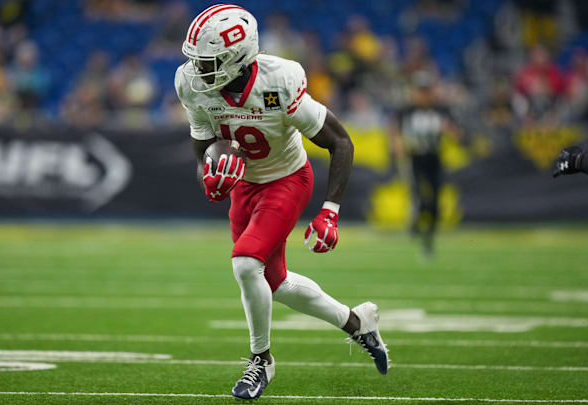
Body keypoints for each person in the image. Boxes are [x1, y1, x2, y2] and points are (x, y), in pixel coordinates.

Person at [174, 5, 389, 400]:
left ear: (236, 58)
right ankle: (358, 322)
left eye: (209, 63)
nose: (198, 71)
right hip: (246, 185)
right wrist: (210, 167)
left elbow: (340, 141)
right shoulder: (191, 84)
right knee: (274, 283)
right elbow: (203, 139)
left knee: (244, 262)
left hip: (287, 178)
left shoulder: (279, 80)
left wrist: (330, 211)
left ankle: (262, 361)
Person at [390, 71, 459, 257]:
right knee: (420, 196)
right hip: (415, 159)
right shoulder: (407, 111)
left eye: (426, 91)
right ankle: (417, 225)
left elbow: (457, 135)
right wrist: (397, 144)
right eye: (420, 91)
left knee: (434, 200)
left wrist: (448, 130)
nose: (423, 95)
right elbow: (395, 131)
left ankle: (429, 236)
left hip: (434, 159)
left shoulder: (441, 110)